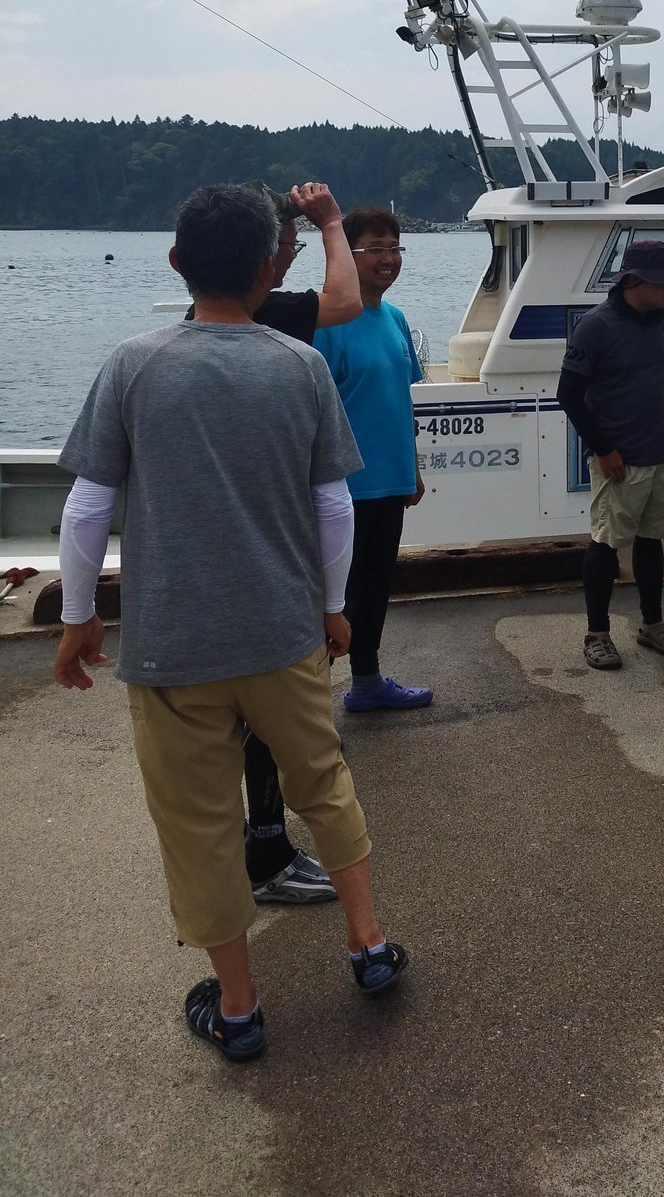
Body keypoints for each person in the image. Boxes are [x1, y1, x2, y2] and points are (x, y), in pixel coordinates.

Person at [53, 183, 406, 1063]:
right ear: (266, 270)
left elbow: (87, 506)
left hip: (172, 647)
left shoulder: (133, 364)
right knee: (323, 784)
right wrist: (334, 608)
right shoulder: (300, 366)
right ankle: (367, 944)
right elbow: (335, 507)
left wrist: (79, 616)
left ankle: (240, 1007)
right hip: (285, 633)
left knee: (198, 821)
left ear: (177, 262)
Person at [236, 181, 363, 907]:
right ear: (269, 258)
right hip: (274, 558)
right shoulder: (273, 324)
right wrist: (332, 224)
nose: (291, 256)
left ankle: (243, 856)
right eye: (287, 245)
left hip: (217, 560)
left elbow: (94, 493)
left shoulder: (171, 341)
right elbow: (344, 301)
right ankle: (266, 853)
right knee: (274, 719)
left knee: (225, 724)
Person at [313, 207, 431, 711]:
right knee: (335, 598)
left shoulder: (396, 318)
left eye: (394, 248)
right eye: (376, 249)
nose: (388, 259)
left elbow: (400, 398)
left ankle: (366, 683)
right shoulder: (327, 323)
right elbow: (312, 409)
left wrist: (413, 467)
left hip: (390, 480)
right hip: (343, 486)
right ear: (346, 253)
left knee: (377, 587)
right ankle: (306, 706)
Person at [557, 238, 664, 670]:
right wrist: (603, 448)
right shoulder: (595, 326)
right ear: (634, 280)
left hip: (660, 452)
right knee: (606, 542)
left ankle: (652, 624)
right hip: (618, 457)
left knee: (652, 539)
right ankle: (596, 634)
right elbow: (569, 395)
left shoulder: (662, 320)